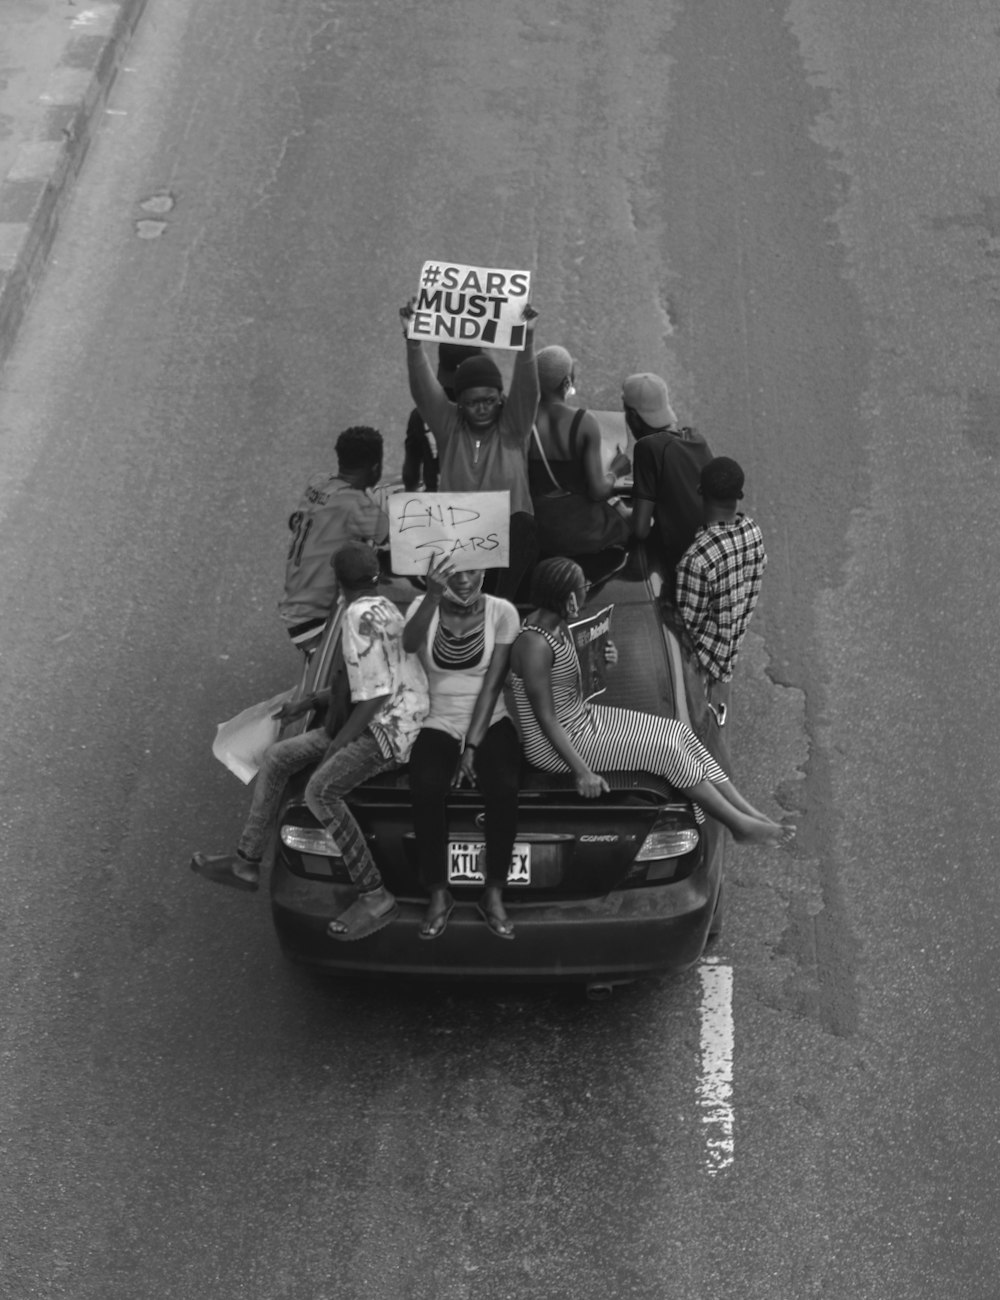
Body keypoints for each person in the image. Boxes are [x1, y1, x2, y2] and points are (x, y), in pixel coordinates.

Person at [192, 543, 429, 941]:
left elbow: (374, 697)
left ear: (339, 582)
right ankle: (246, 862)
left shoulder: (356, 617)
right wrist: (310, 702)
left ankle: (375, 895)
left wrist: (339, 747)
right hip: (375, 718)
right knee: (278, 757)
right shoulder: (383, 605)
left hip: (389, 731)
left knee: (321, 792)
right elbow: (362, 683)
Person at [508, 557, 794, 845]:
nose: (587, 592)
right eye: (584, 587)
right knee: (666, 750)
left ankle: (749, 813)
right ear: (568, 597)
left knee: (678, 732)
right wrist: (582, 772)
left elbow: (568, 682)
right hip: (554, 745)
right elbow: (547, 719)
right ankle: (738, 824)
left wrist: (601, 661)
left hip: (580, 718)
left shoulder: (557, 626)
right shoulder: (534, 645)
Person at [402, 556, 522, 940]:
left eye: (473, 571)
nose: (465, 580)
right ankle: (439, 893)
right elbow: (407, 643)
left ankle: (493, 893)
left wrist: (471, 746)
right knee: (425, 788)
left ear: (485, 571)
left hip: (489, 719)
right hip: (435, 718)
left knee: (503, 788)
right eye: (455, 573)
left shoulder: (502, 612)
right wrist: (432, 597)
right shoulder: (423, 607)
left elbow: (493, 683)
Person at [400, 299, 540, 602]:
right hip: (462, 549)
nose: (482, 409)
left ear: (500, 398)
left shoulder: (513, 428)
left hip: (506, 558)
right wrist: (413, 343)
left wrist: (526, 340)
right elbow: (423, 390)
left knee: (524, 524)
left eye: (489, 400)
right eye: (472, 402)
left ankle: (497, 606)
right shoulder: (449, 426)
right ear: (458, 403)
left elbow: (528, 389)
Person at [277, 426, 389, 654]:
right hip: (316, 620)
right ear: (376, 467)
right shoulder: (356, 504)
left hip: (295, 606)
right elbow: (396, 538)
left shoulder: (317, 483)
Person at [527, 344, 632, 558]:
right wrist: (615, 471)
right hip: (581, 531)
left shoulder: (522, 421)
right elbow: (598, 491)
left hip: (538, 529)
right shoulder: (583, 422)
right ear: (566, 382)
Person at [675, 457, 766, 686]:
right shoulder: (753, 532)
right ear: (740, 496)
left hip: (700, 666)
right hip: (728, 653)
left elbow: (684, 628)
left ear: (700, 491)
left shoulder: (697, 560)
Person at [626, 374, 714, 574]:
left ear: (632, 416)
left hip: (681, 565)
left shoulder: (648, 448)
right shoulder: (695, 437)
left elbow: (640, 529)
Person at [402, 343, 484, 491]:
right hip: (484, 502)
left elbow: (410, 473)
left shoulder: (419, 415)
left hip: (438, 505)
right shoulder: (490, 413)